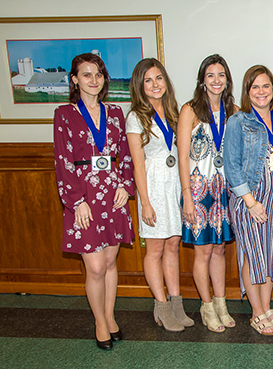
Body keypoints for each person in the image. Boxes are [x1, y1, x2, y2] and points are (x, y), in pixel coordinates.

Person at [53, 53, 134, 350]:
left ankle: (110, 317)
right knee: (96, 267)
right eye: (86, 75)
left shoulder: (114, 112)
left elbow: (125, 154)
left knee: (111, 262)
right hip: (84, 198)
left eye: (98, 74)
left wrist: (127, 186)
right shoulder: (64, 114)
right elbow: (63, 162)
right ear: (74, 80)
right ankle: (99, 321)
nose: (93, 80)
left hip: (113, 195)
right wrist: (76, 202)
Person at [126, 58, 193, 332]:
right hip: (152, 187)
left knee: (173, 245)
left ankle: (176, 303)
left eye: (159, 78)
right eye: (148, 80)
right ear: (140, 86)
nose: (155, 85)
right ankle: (161, 305)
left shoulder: (174, 112)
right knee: (154, 249)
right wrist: (145, 202)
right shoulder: (135, 117)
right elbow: (137, 164)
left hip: (175, 186)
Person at [224, 65, 273, 336]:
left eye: (266, 86)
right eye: (255, 87)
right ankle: (256, 312)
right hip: (250, 200)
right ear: (247, 92)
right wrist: (250, 202)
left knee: (272, 252)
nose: (261, 92)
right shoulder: (238, 121)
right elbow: (231, 166)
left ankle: (266, 305)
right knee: (254, 253)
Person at [177, 54, 237, 333]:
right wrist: (187, 195)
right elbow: (182, 157)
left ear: (227, 79)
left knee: (220, 249)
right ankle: (206, 305)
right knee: (202, 251)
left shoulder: (234, 111)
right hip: (199, 191)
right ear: (202, 80)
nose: (216, 80)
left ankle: (222, 303)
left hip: (225, 190)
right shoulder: (190, 110)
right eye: (211, 75)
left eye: (221, 75)